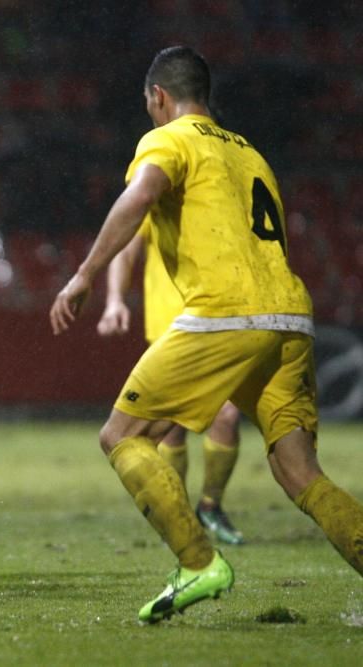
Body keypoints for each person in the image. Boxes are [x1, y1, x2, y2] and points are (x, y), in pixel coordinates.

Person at [50, 46, 363, 623]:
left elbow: (139, 197)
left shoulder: (169, 138)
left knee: (122, 435)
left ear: (158, 97)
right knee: (301, 473)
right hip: (291, 318)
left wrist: (84, 276)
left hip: (226, 313)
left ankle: (197, 562)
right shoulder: (251, 154)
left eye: (149, 104)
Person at [98, 222, 244, 545]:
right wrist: (114, 300)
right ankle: (178, 517)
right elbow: (125, 249)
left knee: (227, 416)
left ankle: (210, 505)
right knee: (170, 429)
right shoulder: (159, 189)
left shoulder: (214, 199)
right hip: (170, 333)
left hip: (217, 327)